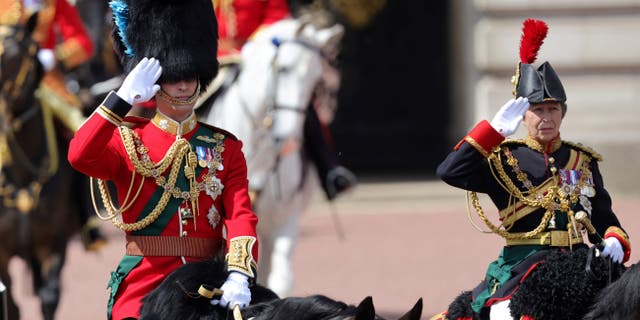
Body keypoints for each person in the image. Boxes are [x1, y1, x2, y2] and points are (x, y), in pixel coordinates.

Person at [68, 0, 259, 319]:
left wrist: (239, 272)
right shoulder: (127, 140)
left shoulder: (225, 147)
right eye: (172, 76)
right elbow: (80, 154)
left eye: (190, 74)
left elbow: (240, 214)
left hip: (207, 285)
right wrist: (121, 99)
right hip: (147, 284)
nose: (183, 83)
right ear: (155, 82)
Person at [432, 19, 631, 320]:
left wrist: (614, 238)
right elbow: (450, 171)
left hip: (581, 262)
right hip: (525, 266)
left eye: (553, 109)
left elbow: (603, 218)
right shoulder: (503, 158)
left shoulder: (582, 160)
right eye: (537, 110)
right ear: (522, 116)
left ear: (562, 113)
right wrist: (492, 132)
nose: (546, 117)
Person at [207, 0, 357, 201]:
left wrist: (255, 46)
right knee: (183, 104)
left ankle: (328, 169)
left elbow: (276, 16)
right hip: (209, 57)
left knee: (297, 104)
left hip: (253, 56)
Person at [0, 0, 106, 251]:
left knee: (81, 132)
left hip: (48, 83)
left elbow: (83, 43)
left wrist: (54, 56)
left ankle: (86, 217)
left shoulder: (56, 4)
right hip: (8, 86)